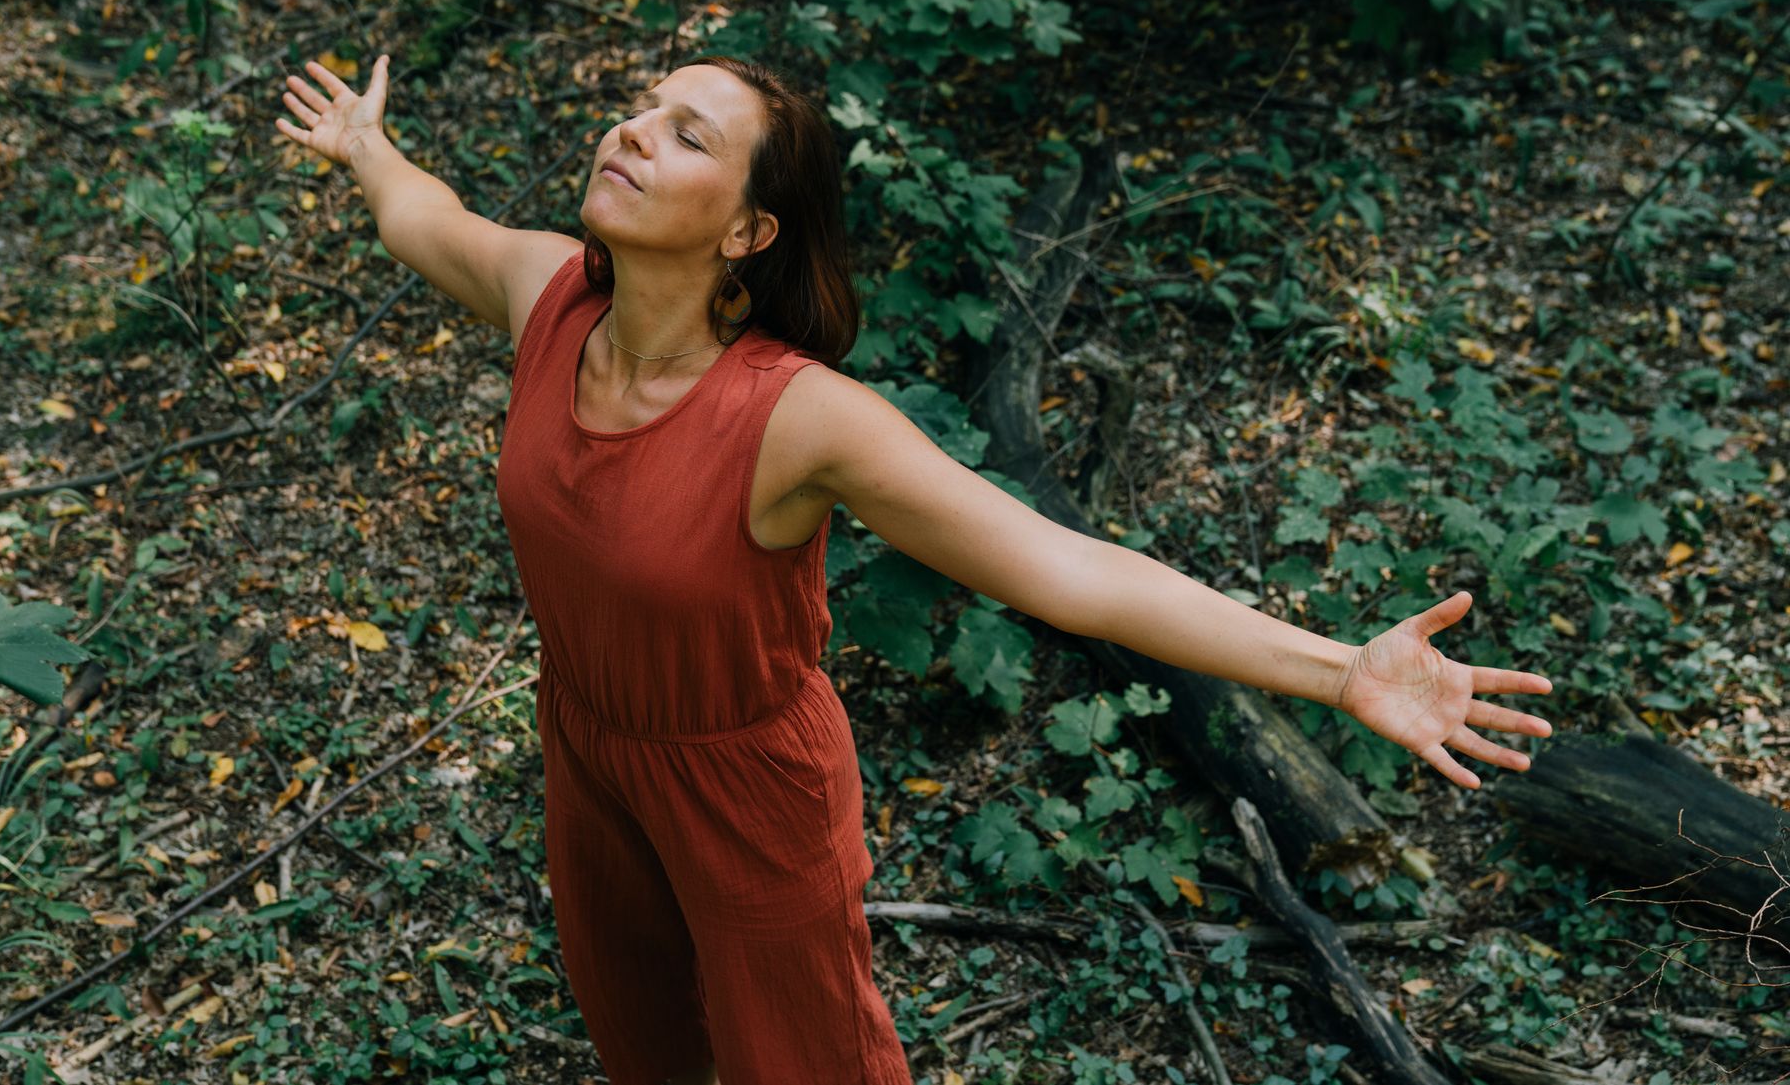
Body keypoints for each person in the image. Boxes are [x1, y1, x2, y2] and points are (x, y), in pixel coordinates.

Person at [275, 53, 1556, 1085]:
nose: (632, 131)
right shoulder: (548, 294)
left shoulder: (797, 419)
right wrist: (367, 148)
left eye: (685, 134)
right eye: (643, 108)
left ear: (749, 229)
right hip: (589, 752)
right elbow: (424, 217)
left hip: (750, 792)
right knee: (647, 1046)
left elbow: (1069, 572)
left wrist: (1340, 671)